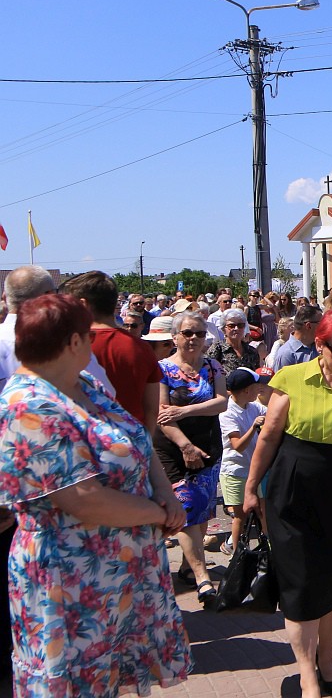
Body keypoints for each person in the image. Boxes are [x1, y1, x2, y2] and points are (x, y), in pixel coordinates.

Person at [0, 294, 191, 696]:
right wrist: (159, 514)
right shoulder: (28, 404)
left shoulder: (82, 382)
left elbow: (136, 438)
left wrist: (164, 492)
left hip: (116, 569)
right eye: (89, 334)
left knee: (110, 680)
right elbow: (84, 498)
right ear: (73, 342)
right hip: (69, 576)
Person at [243, 310, 332, 698]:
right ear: (320, 345)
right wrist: (251, 487)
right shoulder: (291, 378)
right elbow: (268, 438)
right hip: (292, 490)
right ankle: (307, 671)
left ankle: (327, 655)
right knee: (301, 582)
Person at [155, 310, 229, 599]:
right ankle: (202, 577)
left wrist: (185, 410)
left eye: (199, 333)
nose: (194, 338)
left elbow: (221, 403)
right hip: (172, 448)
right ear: (175, 337)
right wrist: (186, 447)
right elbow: (163, 415)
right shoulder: (162, 369)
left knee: (203, 507)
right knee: (186, 508)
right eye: (187, 333)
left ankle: (188, 567)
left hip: (208, 445)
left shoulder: (212, 366)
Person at [61, 270, 163, 426]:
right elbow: (151, 409)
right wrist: (145, 439)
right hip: (132, 434)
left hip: (85, 436)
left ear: (83, 304)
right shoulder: (142, 348)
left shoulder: (71, 346)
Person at [218, 367, 268, 556]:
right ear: (247, 390)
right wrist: (254, 427)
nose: (259, 389)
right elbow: (237, 445)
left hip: (254, 470)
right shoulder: (227, 413)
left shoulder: (253, 407)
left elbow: (273, 413)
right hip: (234, 471)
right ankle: (236, 555)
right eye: (256, 386)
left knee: (263, 510)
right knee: (241, 515)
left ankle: (268, 550)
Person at [206, 307, 262, 374]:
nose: (236, 328)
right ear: (223, 329)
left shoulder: (252, 351)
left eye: (240, 325)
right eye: (231, 326)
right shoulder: (217, 349)